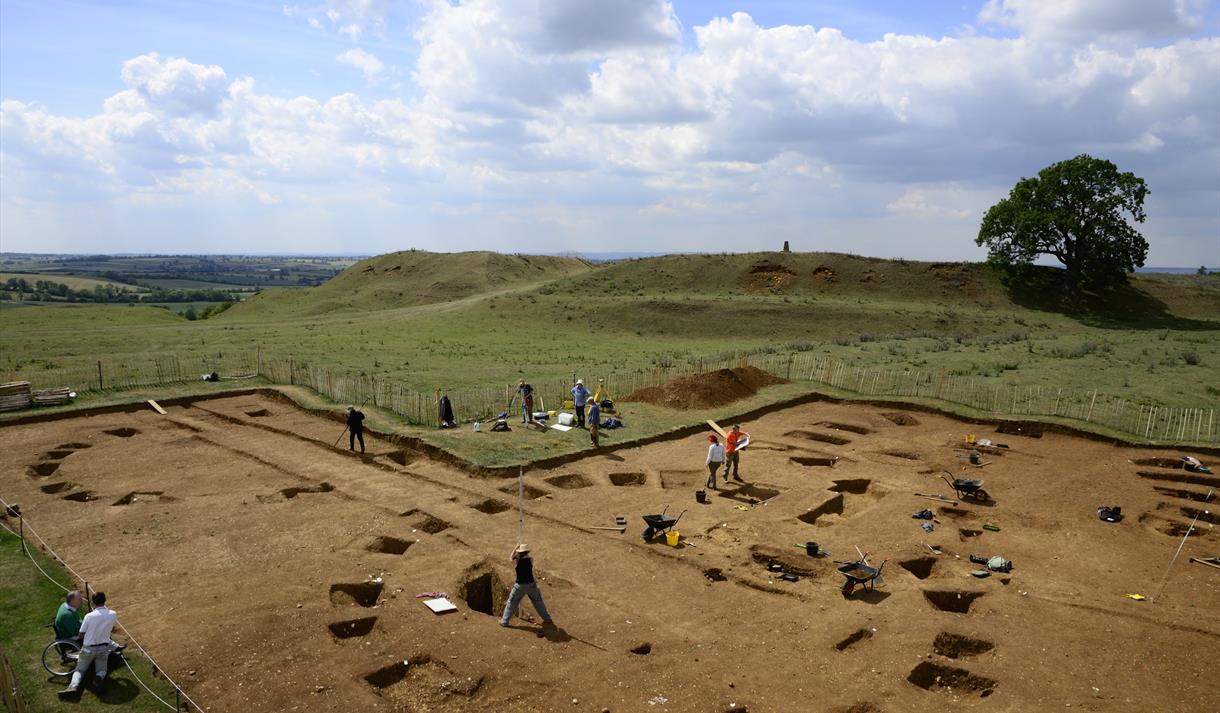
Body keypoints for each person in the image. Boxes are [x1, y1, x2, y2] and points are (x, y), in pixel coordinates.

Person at [59, 591, 118, 698]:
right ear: (105, 600)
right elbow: (112, 629)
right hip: (104, 648)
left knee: (80, 670)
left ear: (92, 603)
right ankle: (98, 679)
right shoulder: (113, 614)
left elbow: (81, 634)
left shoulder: (89, 616)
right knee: (102, 670)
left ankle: (73, 686)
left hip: (88, 649)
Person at [499, 543, 553, 629]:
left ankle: (504, 621)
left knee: (512, 602)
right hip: (531, 584)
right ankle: (547, 619)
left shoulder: (516, 561)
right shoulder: (531, 559)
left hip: (520, 586)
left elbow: (510, 558)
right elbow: (527, 558)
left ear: (519, 552)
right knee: (538, 602)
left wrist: (515, 548)